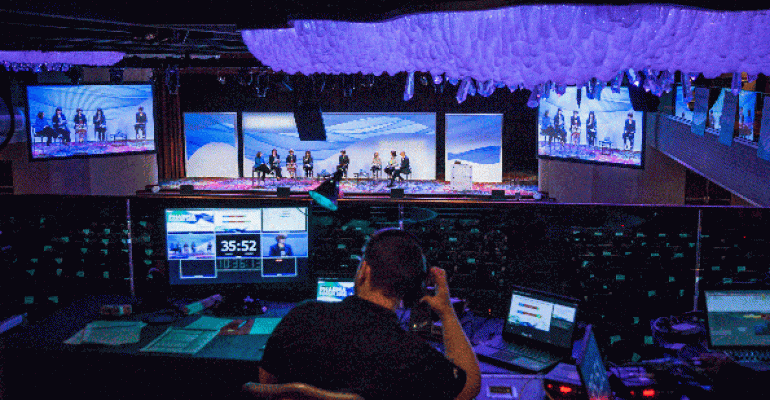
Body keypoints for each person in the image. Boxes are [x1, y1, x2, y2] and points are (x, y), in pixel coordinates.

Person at [259, 228, 481, 400]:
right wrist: (447, 311)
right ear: (413, 289)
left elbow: (267, 384)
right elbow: (469, 387)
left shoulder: (301, 317)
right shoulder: (414, 356)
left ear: (364, 271)